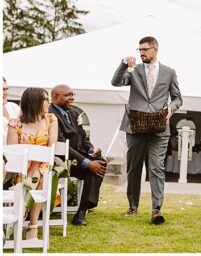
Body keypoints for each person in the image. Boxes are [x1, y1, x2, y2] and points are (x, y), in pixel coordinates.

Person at [111, 36, 183, 224]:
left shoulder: (169, 72)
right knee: (134, 168)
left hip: (159, 127)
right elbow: (116, 82)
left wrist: (171, 108)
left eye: (144, 49)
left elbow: (177, 98)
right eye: (139, 50)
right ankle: (132, 206)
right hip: (135, 126)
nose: (141, 53)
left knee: (157, 168)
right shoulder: (134, 70)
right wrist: (124, 63)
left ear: (155, 49)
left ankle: (156, 209)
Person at [50, 84, 106, 226]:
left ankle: (82, 209)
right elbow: (61, 145)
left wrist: (91, 150)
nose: (72, 98)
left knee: (100, 162)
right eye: (68, 95)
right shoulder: (51, 115)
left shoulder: (73, 113)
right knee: (94, 167)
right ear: (55, 97)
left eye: (73, 94)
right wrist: (87, 163)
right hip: (61, 162)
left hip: (78, 158)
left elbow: (83, 137)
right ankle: (82, 210)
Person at [5, 87, 58, 240]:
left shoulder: (51, 119)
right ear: (35, 102)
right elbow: (12, 152)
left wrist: (36, 160)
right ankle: (31, 227)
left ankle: (22, 214)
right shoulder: (15, 124)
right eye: (46, 99)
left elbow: (51, 148)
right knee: (37, 177)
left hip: (45, 164)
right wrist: (30, 160)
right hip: (21, 167)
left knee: (42, 173)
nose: (49, 102)